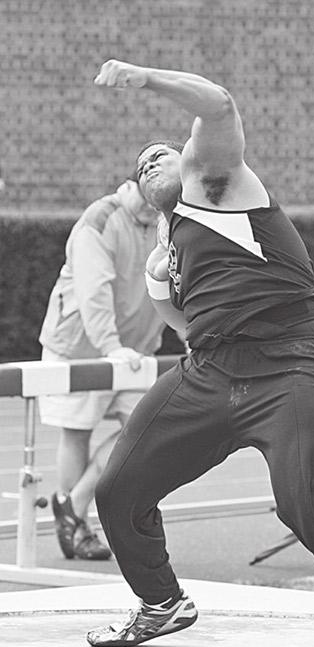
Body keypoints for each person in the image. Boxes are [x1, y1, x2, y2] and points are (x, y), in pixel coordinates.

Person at [86, 61, 314, 647]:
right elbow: (184, 327)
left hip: (289, 363)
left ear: (189, 159)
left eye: (161, 152)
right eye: (141, 163)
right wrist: (180, 311)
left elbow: (218, 103)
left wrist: (142, 78)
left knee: (306, 503)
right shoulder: (165, 256)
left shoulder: (218, 183)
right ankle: (162, 603)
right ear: (143, 197)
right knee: (117, 491)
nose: (151, 161)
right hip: (212, 371)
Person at [39, 171, 166, 560]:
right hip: (79, 347)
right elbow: (93, 289)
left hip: (133, 351)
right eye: (143, 197)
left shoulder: (166, 222)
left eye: (157, 200)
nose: (150, 205)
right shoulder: (100, 219)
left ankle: (72, 506)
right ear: (126, 187)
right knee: (77, 432)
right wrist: (109, 346)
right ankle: (80, 531)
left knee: (146, 428)